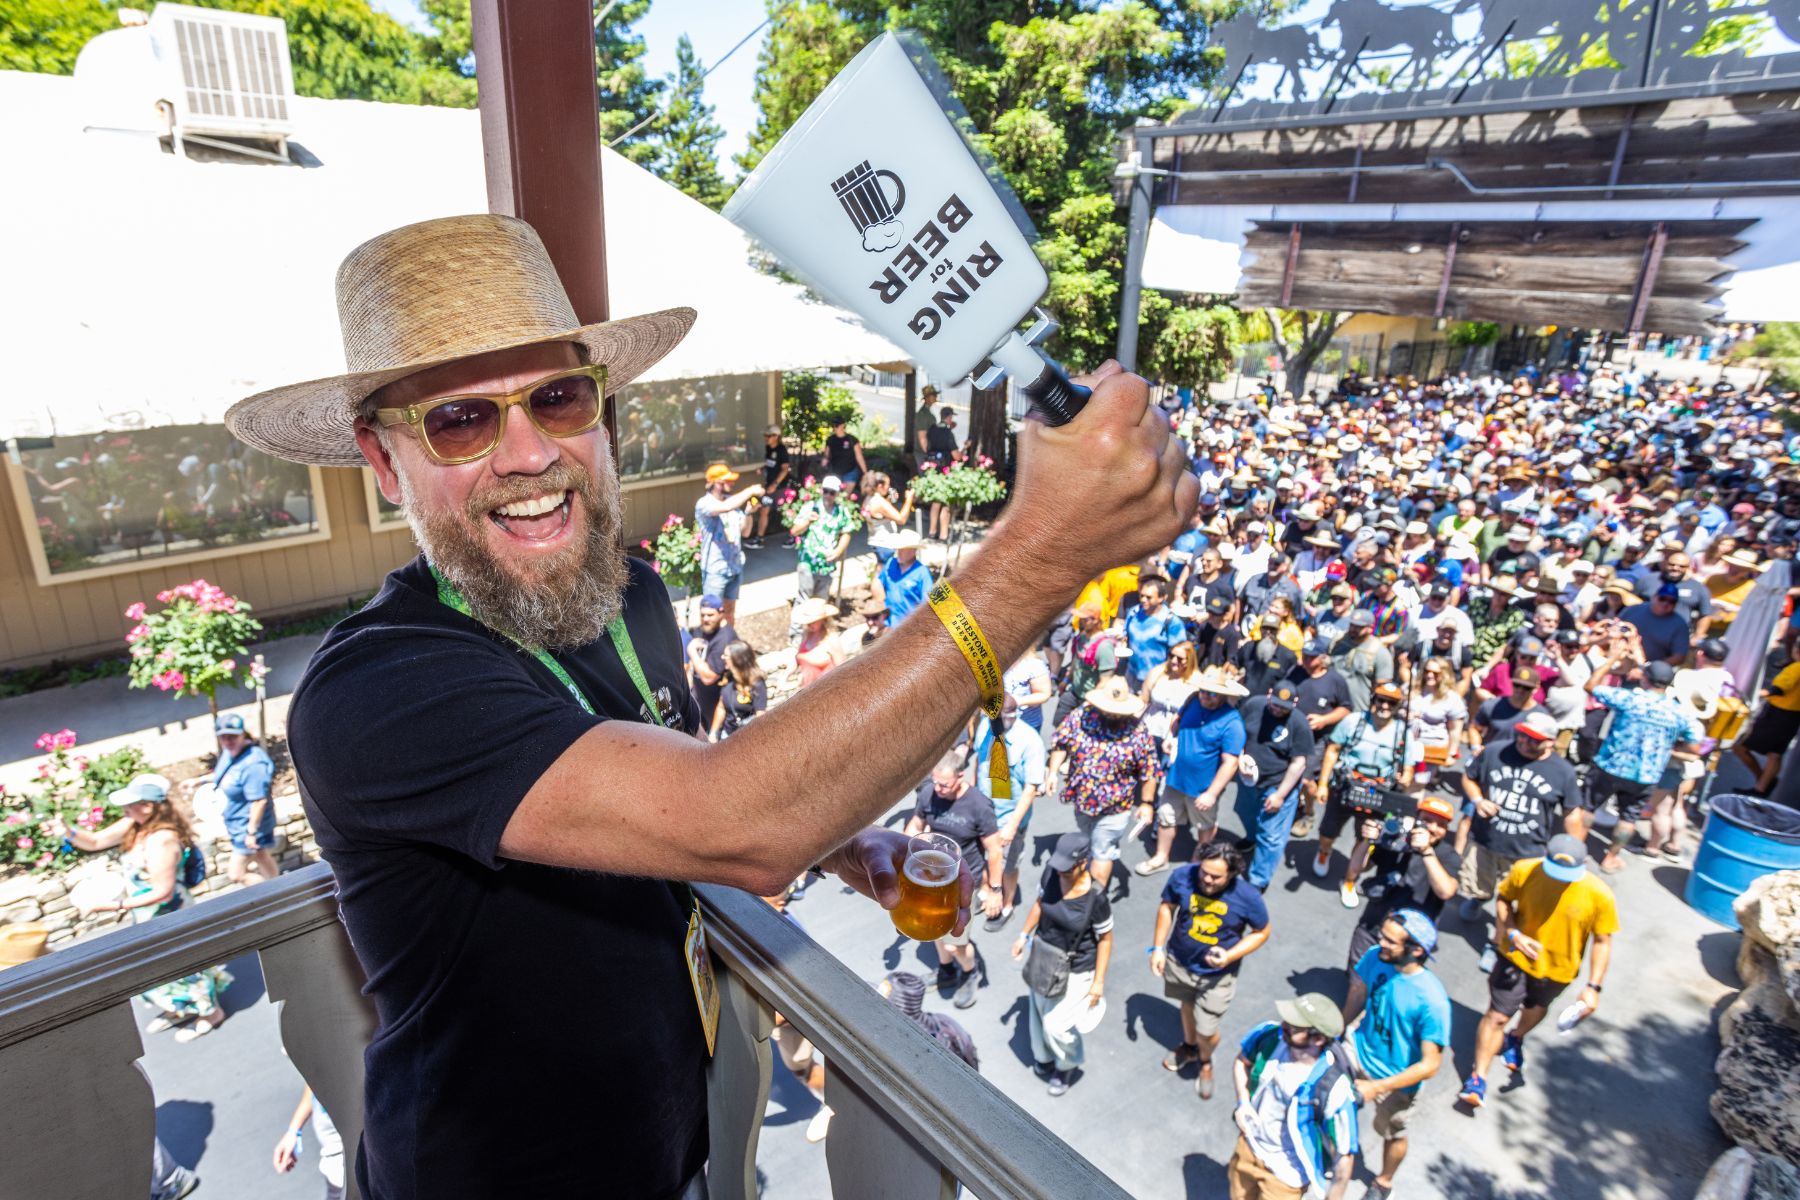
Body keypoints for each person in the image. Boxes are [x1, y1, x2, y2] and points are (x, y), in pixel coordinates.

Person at [249, 214, 1186, 1198]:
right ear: (385, 461)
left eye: (560, 398)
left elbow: (674, 774)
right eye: (462, 420)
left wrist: (841, 845)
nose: (528, 453)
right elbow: (732, 819)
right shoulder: (378, 691)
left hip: (666, 1151)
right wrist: (1044, 551)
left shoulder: (631, 594)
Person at [50, 775, 231, 1042]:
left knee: (185, 964)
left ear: (148, 806)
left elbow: (163, 892)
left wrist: (111, 906)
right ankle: (179, 1009)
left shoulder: (163, 839)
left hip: (170, 915)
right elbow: (96, 842)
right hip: (147, 916)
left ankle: (210, 1012)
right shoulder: (136, 825)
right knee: (158, 965)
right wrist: (67, 830)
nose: (124, 809)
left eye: (130, 803)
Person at [1458, 835, 1617, 1111]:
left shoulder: (1600, 895)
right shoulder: (1525, 870)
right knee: (1497, 1015)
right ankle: (1477, 1079)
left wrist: (1593, 987)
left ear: (1585, 864)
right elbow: (1504, 900)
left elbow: (1603, 941)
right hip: (1515, 958)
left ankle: (1516, 1037)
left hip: (1558, 971)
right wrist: (1513, 933)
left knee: (1536, 1008)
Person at [1457, 711, 1583, 965]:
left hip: (1526, 852)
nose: (1524, 742)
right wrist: (1478, 800)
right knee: (1478, 884)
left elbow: (1572, 814)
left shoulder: (1563, 772)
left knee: (1511, 902)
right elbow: (1469, 777)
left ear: (1550, 741)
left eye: (1533, 740)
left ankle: (1496, 943)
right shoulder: (1495, 751)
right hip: (1486, 841)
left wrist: (1575, 851)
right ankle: (1479, 900)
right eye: (1522, 735)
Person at [1341, 910, 1451, 1200]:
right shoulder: (1377, 956)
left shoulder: (1432, 1001)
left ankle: (1384, 1182)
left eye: (1390, 940)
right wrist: (1336, 1031)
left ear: (1416, 950)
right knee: (1327, 1099)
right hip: (1358, 1049)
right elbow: (1357, 993)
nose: (1380, 942)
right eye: (1382, 935)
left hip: (1395, 1082)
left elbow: (1430, 1065)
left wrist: (1376, 1087)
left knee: (1392, 1133)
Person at [1152, 839, 1272, 1100]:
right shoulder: (1183, 876)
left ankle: (1205, 1060)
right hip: (1179, 962)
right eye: (1204, 871)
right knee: (1185, 1005)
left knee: (1207, 1029)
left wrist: (1230, 955)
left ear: (1232, 873)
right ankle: (1189, 1046)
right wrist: (1158, 948)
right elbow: (1167, 907)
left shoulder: (1247, 896)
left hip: (1217, 977)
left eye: (1216, 876)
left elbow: (1262, 931)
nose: (1206, 879)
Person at [1580, 638, 1702, 873]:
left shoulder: (1631, 699)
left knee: (1588, 807)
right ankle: (1610, 858)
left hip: (1611, 765)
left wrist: (1613, 659)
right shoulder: (1678, 712)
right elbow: (1694, 748)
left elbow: (1591, 686)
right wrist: (1669, 749)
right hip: (1646, 773)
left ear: (1646, 679)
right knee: (1628, 817)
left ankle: (1576, 847)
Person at [1011, 832, 1115, 1096]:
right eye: (1058, 866)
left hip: (1076, 967)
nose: (1060, 873)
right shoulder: (1052, 872)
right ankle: (1044, 1057)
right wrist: (1024, 935)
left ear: (1084, 862)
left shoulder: (1096, 898)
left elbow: (1105, 939)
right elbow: (1039, 904)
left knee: (1056, 1024)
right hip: (1044, 954)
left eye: (1067, 869)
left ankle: (1067, 1064)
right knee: (1037, 1012)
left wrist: (1098, 983)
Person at [1228, 993, 1360, 1200]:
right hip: (1249, 1146)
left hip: (1287, 1175)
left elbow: (1345, 1157)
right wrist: (1243, 1103)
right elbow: (1241, 1062)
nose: (1284, 1026)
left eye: (1295, 1026)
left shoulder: (1334, 1089)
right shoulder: (1271, 1037)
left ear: (1317, 1038)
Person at [906, 752, 1005, 1010]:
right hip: (933, 878)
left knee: (954, 942)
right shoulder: (929, 793)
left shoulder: (979, 806)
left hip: (963, 882)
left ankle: (970, 972)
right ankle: (946, 971)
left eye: (944, 784)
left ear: (961, 777)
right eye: (935, 782)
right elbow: (915, 825)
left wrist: (994, 890)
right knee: (936, 928)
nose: (938, 789)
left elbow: (994, 850)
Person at [1049, 677, 1160, 891]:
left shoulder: (1138, 731)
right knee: (1087, 841)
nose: (1110, 714)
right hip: (1081, 801)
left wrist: (1146, 803)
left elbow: (1149, 770)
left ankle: (1092, 902)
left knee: (1102, 849)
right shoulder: (1082, 716)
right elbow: (1061, 742)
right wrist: (1053, 772)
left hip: (1114, 809)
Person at [1311, 684, 1412, 905]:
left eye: (1391, 703)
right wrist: (1323, 784)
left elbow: (1409, 766)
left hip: (1378, 793)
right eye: (1381, 700)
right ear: (1373, 700)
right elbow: (1333, 750)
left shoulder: (1402, 733)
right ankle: (1324, 851)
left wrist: (1406, 777)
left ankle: (1349, 880)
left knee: (1366, 838)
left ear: (1397, 707)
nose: (1384, 706)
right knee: (1328, 830)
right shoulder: (1354, 721)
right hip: (1346, 786)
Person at [1143, 667, 1249, 872]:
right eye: (1202, 690)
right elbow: (1177, 719)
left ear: (1223, 696)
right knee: (1166, 817)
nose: (1204, 696)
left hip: (1203, 787)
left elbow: (1231, 763)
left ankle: (1198, 862)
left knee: (1205, 827)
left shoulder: (1232, 722)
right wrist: (1169, 737)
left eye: (1210, 693)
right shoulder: (1193, 700)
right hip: (1176, 778)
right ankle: (1160, 857)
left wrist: (1211, 794)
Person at [1343, 795, 1460, 971]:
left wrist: (1427, 852)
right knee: (1357, 975)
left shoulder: (1448, 855)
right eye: (1427, 821)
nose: (1434, 828)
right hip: (1373, 925)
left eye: (1441, 825)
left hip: (1409, 941)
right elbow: (1356, 868)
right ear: (1415, 819)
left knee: (1391, 987)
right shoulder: (1395, 839)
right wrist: (1367, 840)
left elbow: (1446, 892)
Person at [971, 693, 1048, 930]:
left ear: (1011, 716)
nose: (988, 722)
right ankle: (986, 892)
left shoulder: (1030, 741)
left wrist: (1012, 826)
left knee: (1009, 864)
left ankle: (1006, 904)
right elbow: (979, 761)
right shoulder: (987, 726)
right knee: (985, 856)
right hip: (984, 811)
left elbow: (1030, 789)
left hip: (1009, 818)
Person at [1235, 682, 1317, 891]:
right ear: (1269, 694)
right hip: (1249, 777)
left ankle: (1258, 880)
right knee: (1245, 811)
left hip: (1278, 783)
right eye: (1275, 704)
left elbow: (1299, 763)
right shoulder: (1254, 705)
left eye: (1283, 707)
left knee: (1271, 835)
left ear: (1294, 704)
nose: (1277, 709)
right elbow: (1239, 732)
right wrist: (1241, 756)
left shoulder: (1298, 724)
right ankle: (1251, 838)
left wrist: (1280, 795)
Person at [1286, 636, 1353, 840]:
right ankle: (1293, 806)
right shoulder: (1296, 673)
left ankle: (1308, 813)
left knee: (1306, 779)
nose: (1306, 660)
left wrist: (1325, 719)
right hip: (1291, 734)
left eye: (1312, 657)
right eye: (1304, 656)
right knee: (1287, 773)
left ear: (1323, 659)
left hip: (1316, 739)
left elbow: (1346, 708)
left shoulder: (1335, 680)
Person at [209, 713, 280, 887]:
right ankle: (279, 884)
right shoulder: (229, 753)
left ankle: (272, 892)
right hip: (237, 823)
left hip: (249, 827)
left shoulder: (253, 763)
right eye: (223, 736)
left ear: (243, 734)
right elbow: (226, 777)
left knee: (236, 874)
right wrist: (199, 781)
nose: (228, 740)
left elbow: (259, 801)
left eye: (232, 736)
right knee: (262, 855)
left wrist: (251, 832)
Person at [694, 462, 761, 620]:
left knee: (729, 611)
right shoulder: (704, 503)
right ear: (717, 483)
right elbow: (724, 508)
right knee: (711, 613)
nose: (732, 483)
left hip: (734, 567)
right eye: (728, 480)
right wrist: (751, 490)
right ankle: (711, 644)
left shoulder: (733, 502)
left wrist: (748, 513)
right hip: (715, 570)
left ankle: (728, 642)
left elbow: (745, 532)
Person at [790, 475, 857, 605]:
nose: (828, 495)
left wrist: (838, 551)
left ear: (837, 494)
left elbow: (847, 532)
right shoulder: (811, 507)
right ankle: (797, 626)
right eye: (825, 491)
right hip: (808, 563)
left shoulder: (841, 512)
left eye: (832, 492)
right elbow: (794, 531)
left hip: (827, 565)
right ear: (821, 490)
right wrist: (808, 521)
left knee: (821, 601)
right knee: (804, 600)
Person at [272, 1085, 346, 1200]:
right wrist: (294, 1131)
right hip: (334, 1174)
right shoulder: (326, 1070)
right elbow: (315, 1081)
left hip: (348, 1181)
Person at [685, 594, 736, 736]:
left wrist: (691, 652)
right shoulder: (700, 631)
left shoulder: (725, 638)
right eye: (703, 615)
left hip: (719, 705)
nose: (706, 619)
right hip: (699, 698)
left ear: (721, 613)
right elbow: (692, 664)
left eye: (710, 615)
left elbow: (709, 677)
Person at [1124, 574, 1185, 689]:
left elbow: (1179, 654)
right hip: (1132, 674)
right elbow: (1126, 635)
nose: (1143, 600)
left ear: (1161, 598)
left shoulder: (1171, 622)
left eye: (1148, 597)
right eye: (1141, 596)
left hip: (1156, 679)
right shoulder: (1134, 613)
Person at [1330, 610, 1395, 712]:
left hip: (1357, 710)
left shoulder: (1380, 652)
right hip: (1329, 704)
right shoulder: (1338, 641)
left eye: (1359, 627)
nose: (1353, 629)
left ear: (1370, 628)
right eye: (1352, 625)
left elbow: (1382, 687)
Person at [707, 641, 766, 741]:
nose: (722, 657)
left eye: (726, 655)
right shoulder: (728, 678)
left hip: (747, 738)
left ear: (737, 659)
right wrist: (713, 733)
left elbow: (760, 715)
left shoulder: (757, 684)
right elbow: (721, 707)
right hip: (727, 736)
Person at [877, 528, 934, 627]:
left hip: (907, 629)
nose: (899, 551)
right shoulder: (891, 563)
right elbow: (878, 583)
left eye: (903, 549)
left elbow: (927, 604)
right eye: (899, 548)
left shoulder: (922, 573)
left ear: (913, 551)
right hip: (887, 624)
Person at [747, 424, 789, 548]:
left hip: (779, 487)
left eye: (769, 436)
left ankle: (794, 536)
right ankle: (759, 539)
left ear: (776, 436)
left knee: (785, 511)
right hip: (768, 486)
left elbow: (785, 469)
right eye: (765, 435)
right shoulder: (768, 448)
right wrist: (762, 468)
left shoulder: (782, 450)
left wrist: (775, 485)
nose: (766, 438)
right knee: (763, 510)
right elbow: (770, 464)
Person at [860, 470, 914, 567]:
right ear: (880, 486)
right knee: (887, 572)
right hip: (885, 543)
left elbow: (880, 514)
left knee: (880, 570)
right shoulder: (880, 502)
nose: (889, 488)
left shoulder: (868, 498)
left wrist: (888, 500)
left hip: (875, 540)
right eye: (887, 485)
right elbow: (901, 519)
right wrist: (909, 499)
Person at [922, 405, 960, 540]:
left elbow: (927, 446)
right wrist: (965, 449)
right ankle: (944, 535)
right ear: (949, 417)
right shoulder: (948, 433)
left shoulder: (932, 429)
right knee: (945, 504)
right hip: (945, 471)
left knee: (935, 502)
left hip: (933, 469)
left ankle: (932, 532)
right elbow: (956, 456)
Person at [793, 596, 843, 688]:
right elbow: (798, 657)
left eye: (813, 621)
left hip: (826, 692)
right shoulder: (806, 635)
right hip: (806, 692)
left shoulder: (832, 640)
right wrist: (785, 675)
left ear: (823, 620)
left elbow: (843, 671)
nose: (809, 624)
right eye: (808, 622)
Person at [823, 417, 867, 487]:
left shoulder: (852, 439)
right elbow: (826, 455)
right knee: (836, 495)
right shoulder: (830, 440)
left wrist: (865, 472)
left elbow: (859, 456)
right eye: (833, 426)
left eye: (836, 425)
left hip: (850, 472)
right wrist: (823, 464)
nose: (835, 428)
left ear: (843, 425)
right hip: (835, 472)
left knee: (845, 496)